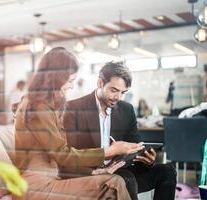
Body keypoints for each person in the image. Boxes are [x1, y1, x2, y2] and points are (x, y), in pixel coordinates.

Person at [14, 48, 139, 199]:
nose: (72, 86)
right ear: (56, 78)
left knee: (114, 182)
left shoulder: (44, 104)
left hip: (51, 177)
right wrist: (110, 151)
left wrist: (93, 172)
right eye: (70, 80)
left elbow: (59, 156)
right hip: (36, 185)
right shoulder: (38, 105)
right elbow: (62, 154)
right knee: (113, 184)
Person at [64, 62, 177, 200]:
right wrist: (103, 162)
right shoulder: (73, 108)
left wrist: (146, 158)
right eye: (114, 90)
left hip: (120, 169)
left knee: (167, 171)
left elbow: (135, 145)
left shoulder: (127, 110)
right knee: (126, 178)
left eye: (123, 92)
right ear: (100, 83)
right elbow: (68, 155)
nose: (118, 97)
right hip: (91, 173)